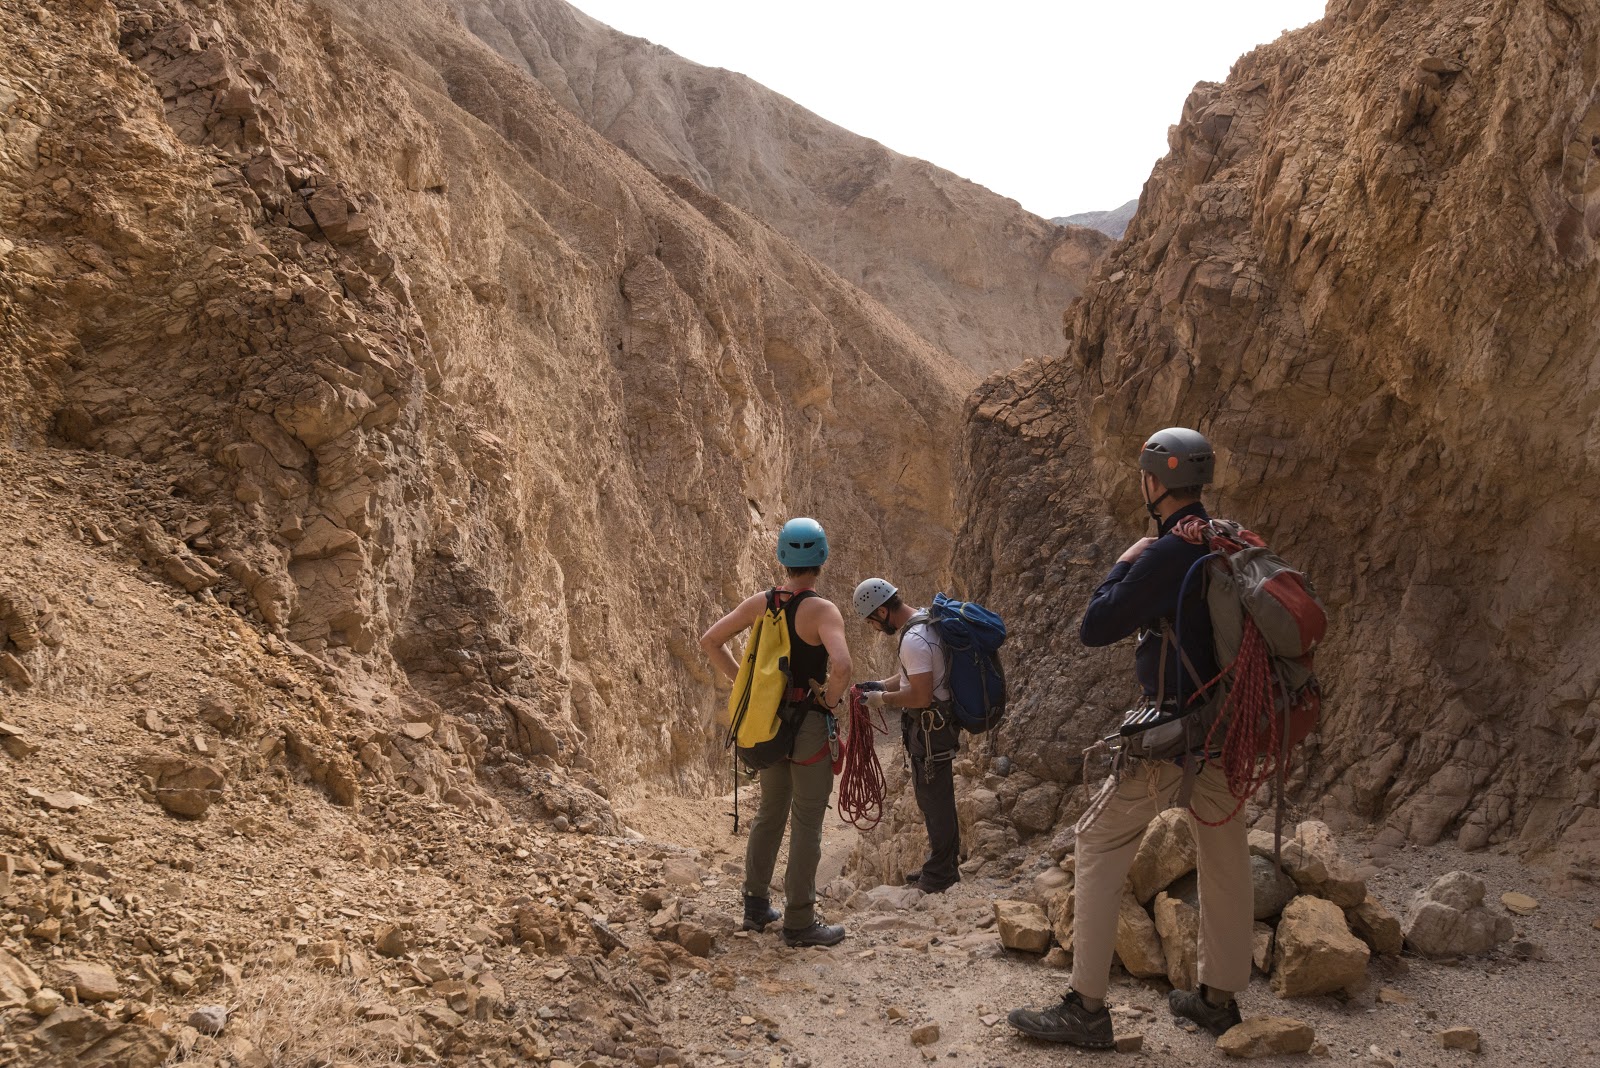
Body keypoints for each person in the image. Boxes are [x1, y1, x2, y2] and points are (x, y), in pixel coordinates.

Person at [1008, 427, 1250, 1049]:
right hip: (1226, 731)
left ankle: (1087, 1008)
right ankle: (1218, 1000)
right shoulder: (1225, 541)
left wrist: (1126, 560)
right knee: (1224, 856)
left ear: (1153, 480)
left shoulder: (1170, 553)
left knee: (1097, 839)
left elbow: (1097, 625)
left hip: (1173, 737)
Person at [699, 517, 852, 948]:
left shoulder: (760, 603)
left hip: (767, 724)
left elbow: (710, 640)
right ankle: (800, 921)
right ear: (821, 559)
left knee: (769, 812)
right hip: (806, 728)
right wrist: (830, 701)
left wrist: (742, 685)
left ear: (783, 558)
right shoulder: (822, 611)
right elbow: (841, 666)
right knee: (806, 822)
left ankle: (755, 905)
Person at [851, 578, 961, 894]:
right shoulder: (924, 621)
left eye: (872, 620)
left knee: (933, 798)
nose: (873, 628)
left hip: (930, 729)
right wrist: (880, 685)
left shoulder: (913, 639)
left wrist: (881, 700)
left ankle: (940, 874)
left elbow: (920, 695)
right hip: (936, 726)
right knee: (937, 796)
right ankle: (943, 865)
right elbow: (913, 675)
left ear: (883, 611)